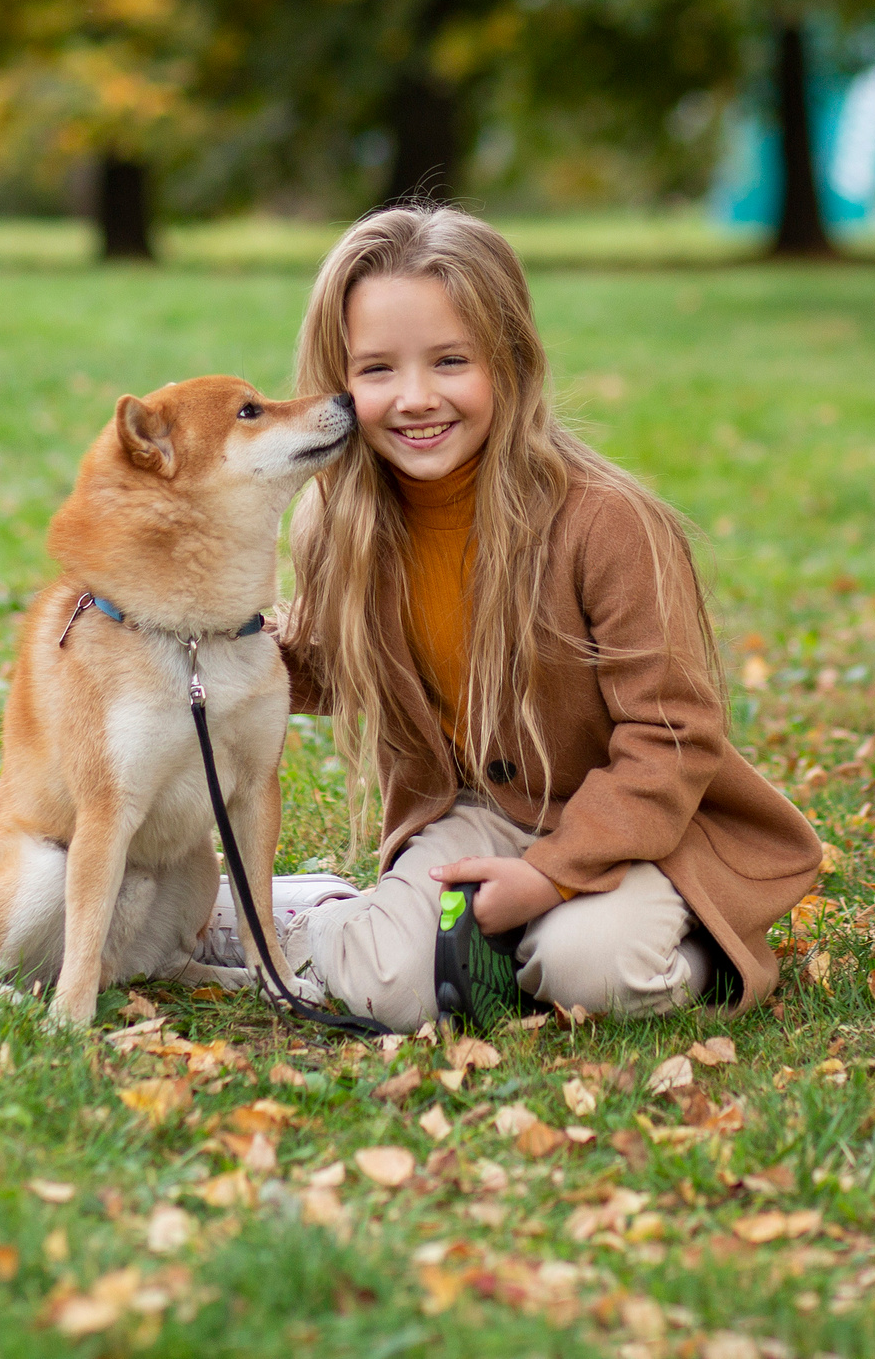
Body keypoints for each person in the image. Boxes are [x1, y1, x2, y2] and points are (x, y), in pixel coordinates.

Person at [218, 205, 820, 1031]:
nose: (416, 398)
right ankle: (312, 912)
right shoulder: (340, 521)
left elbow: (671, 736)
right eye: (378, 369)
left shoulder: (606, 522)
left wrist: (553, 875)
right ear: (339, 377)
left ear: (511, 362)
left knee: (588, 969)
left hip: (635, 824)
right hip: (470, 813)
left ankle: (682, 934)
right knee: (390, 994)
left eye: (451, 361)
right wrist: (211, 634)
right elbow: (331, 666)